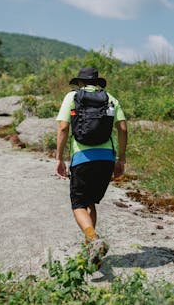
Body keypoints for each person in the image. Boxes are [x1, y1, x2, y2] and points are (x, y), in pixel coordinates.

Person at [55, 67, 128, 266]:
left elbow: (63, 127)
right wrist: (121, 159)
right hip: (106, 159)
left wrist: (59, 158)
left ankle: (94, 240)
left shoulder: (72, 97)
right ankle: (92, 252)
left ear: (79, 82)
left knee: (78, 204)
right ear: (98, 83)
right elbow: (123, 128)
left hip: (82, 158)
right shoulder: (111, 98)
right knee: (90, 202)